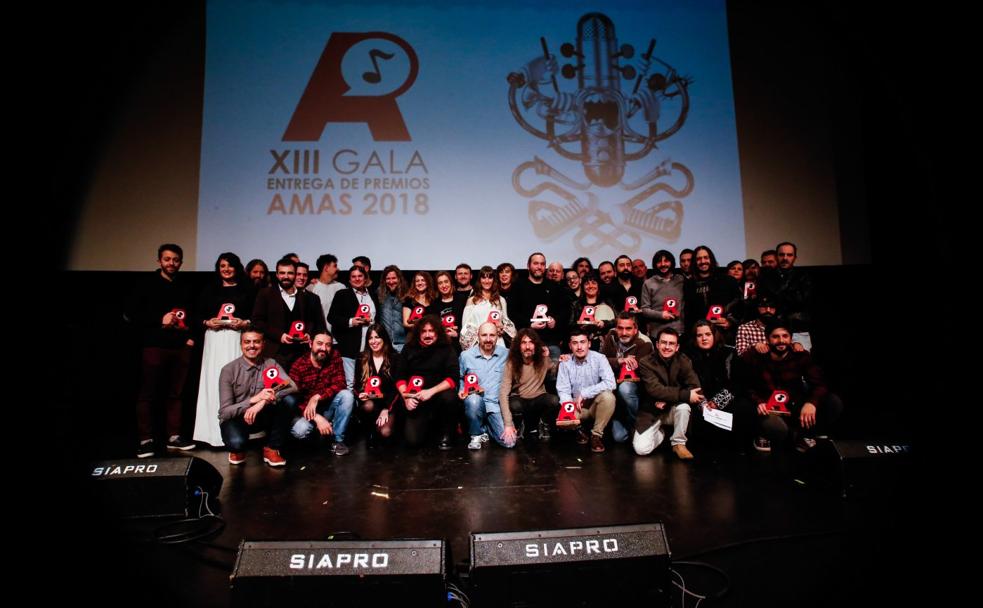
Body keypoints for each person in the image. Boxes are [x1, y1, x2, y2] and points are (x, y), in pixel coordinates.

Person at [127, 243, 196, 457]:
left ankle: (173, 436)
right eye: (167, 259)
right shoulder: (145, 284)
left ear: (181, 262)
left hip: (180, 347)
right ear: (159, 261)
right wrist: (159, 319)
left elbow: (193, 313)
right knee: (148, 393)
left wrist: (191, 338)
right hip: (155, 346)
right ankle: (145, 439)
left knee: (176, 393)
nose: (172, 263)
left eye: (176, 260)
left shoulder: (185, 286)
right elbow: (131, 314)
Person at [741, 320, 843, 453]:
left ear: (790, 338)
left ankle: (807, 434)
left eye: (785, 336)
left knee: (833, 401)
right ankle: (769, 434)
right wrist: (759, 402)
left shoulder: (800, 355)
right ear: (767, 339)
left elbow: (820, 384)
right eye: (775, 337)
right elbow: (744, 384)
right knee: (779, 430)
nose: (781, 341)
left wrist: (811, 403)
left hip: (794, 405)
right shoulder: (758, 357)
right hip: (768, 407)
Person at [193, 252, 253, 447]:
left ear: (237, 267)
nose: (226, 269)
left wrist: (244, 322)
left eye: (230, 265)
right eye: (222, 266)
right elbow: (198, 315)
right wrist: (207, 322)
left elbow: (256, 316)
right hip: (215, 339)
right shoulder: (209, 289)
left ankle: (237, 434)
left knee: (237, 384)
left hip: (236, 339)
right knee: (213, 381)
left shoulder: (247, 289)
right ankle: (211, 434)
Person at [218, 329, 298, 466]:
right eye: (247, 342)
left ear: (263, 344)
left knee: (289, 400)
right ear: (241, 344)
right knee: (236, 443)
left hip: (262, 415)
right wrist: (252, 400)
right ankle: (237, 449)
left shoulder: (271, 363)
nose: (252, 345)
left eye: (256, 342)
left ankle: (272, 448)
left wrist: (262, 401)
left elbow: (291, 386)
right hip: (237, 418)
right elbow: (224, 412)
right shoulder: (228, 370)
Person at [634, 328, 702, 459]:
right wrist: (684, 394)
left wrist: (668, 399)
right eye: (664, 343)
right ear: (657, 344)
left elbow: (695, 388)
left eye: (671, 344)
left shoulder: (684, 360)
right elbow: (655, 389)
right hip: (652, 410)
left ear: (677, 347)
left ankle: (678, 443)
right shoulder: (645, 362)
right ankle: (662, 434)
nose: (667, 347)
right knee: (641, 450)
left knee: (684, 408)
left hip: (673, 409)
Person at [288, 330, 355, 456]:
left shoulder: (334, 356)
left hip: (327, 406)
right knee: (300, 431)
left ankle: (337, 440)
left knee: (347, 395)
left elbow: (341, 383)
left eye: (328, 345)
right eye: (319, 343)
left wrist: (317, 397)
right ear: (310, 344)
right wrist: (316, 418)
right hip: (305, 412)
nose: (323, 348)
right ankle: (319, 434)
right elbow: (293, 400)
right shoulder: (299, 365)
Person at [251, 257, 326, 369]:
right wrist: (279, 335)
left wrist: (308, 334)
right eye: (282, 273)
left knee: (299, 386)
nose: (286, 276)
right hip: (275, 353)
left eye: (290, 273)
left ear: (295, 274)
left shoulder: (305, 296)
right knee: (277, 386)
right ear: (276, 274)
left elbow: (312, 321)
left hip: (301, 352)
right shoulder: (265, 294)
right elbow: (257, 321)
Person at [398, 315, 460, 449]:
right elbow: (400, 377)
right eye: (423, 331)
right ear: (418, 333)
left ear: (437, 332)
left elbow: (453, 378)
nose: (427, 335)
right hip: (415, 398)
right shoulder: (408, 348)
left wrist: (430, 392)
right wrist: (406, 397)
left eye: (431, 331)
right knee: (412, 441)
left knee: (450, 397)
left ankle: (446, 434)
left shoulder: (447, 349)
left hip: (438, 396)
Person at [556, 327, 617, 453]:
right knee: (563, 414)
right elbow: (563, 390)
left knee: (608, 397)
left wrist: (585, 393)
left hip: (596, 405)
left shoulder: (600, 358)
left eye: (582, 342)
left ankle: (596, 435)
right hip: (577, 406)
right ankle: (579, 429)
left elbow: (611, 383)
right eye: (575, 343)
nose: (579, 347)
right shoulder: (565, 362)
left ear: (589, 343)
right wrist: (569, 407)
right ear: (570, 346)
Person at [599, 313, 653, 444]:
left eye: (628, 328)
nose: (623, 332)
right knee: (620, 437)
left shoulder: (645, 343)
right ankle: (621, 418)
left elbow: (641, 373)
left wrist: (613, 364)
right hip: (613, 386)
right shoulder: (611, 335)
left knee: (626, 387)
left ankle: (638, 424)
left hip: (635, 390)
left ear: (635, 329)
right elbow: (600, 361)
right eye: (620, 328)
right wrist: (620, 361)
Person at [460, 322, 515, 449]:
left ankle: (486, 428)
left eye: (492, 335)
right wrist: (461, 388)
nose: (488, 339)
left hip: (495, 405)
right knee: (473, 400)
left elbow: (525, 354)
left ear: (497, 337)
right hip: (474, 402)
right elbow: (460, 377)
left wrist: (543, 352)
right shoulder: (466, 356)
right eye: (484, 335)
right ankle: (476, 434)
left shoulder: (506, 354)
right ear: (478, 336)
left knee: (510, 443)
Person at [500, 329, 559, 441]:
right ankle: (519, 425)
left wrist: (563, 361)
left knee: (554, 401)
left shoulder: (543, 360)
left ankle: (543, 424)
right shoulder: (511, 363)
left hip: (538, 398)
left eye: (531, 342)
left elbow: (555, 369)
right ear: (518, 346)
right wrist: (508, 424)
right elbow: (503, 393)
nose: (527, 346)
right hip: (520, 399)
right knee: (514, 404)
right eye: (524, 343)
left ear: (536, 345)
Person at [327, 265, 378, 389]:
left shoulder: (372, 295)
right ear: (349, 280)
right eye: (353, 277)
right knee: (350, 384)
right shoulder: (342, 294)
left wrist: (371, 321)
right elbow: (332, 318)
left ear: (365, 278)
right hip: (349, 347)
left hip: (370, 348)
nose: (357, 279)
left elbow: (377, 318)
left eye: (360, 276)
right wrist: (351, 321)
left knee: (367, 383)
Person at [353, 324, 403, 445]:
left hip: (389, 403)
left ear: (384, 338)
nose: (374, 341)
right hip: (370, 403)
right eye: (370, 338)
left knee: (385, 432)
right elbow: (357, 384)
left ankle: (382, 428)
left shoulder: (395, 358)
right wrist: (360, 394)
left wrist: (386, 408)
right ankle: (369, 430)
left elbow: (397, 387)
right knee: (368, 406)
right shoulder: (361, 358)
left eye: (377, 337)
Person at [460, 266, 517, 350]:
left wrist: (503, 329)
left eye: (490, 277)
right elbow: (465, 327)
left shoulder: (501, 300)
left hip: (497, 343)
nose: (487, 281)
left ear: (494, 280)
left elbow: (506, 322)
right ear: (480, 280)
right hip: (477, 344)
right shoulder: (471, 301)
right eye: (484, 277)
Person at [377, 265, 407, 351]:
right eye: (388, 278)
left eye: (394, 278)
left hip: (403, 344)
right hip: (385, 344)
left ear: (399, 279)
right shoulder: (379, 294)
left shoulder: (407, 295)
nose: (391, 281)